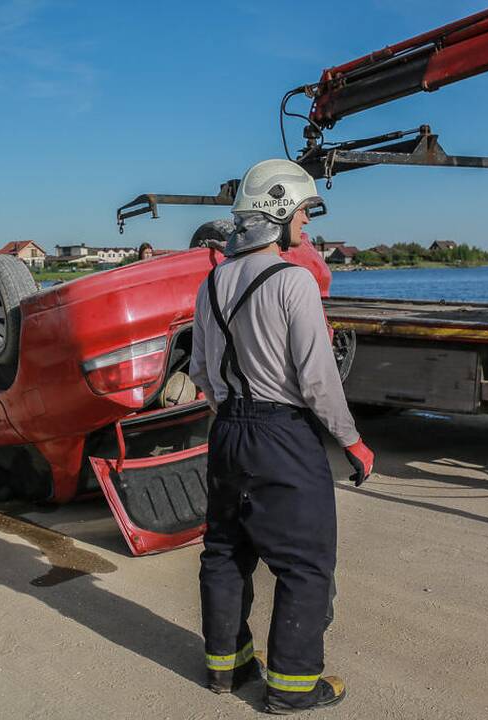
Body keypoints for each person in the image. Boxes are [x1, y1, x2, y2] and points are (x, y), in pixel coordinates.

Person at [189, 158, 374, 714]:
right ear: (279, 213)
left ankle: (227, 666)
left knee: (224, 550)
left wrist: (232, 413)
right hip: (280, 434)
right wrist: (353, 440)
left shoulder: (213, 282)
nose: (307, 224)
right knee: (304, 563)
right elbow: (317, 379)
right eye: (304, 212)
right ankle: (293, 687)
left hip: (227, 432)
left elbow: (200, 369)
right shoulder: (294, 282)